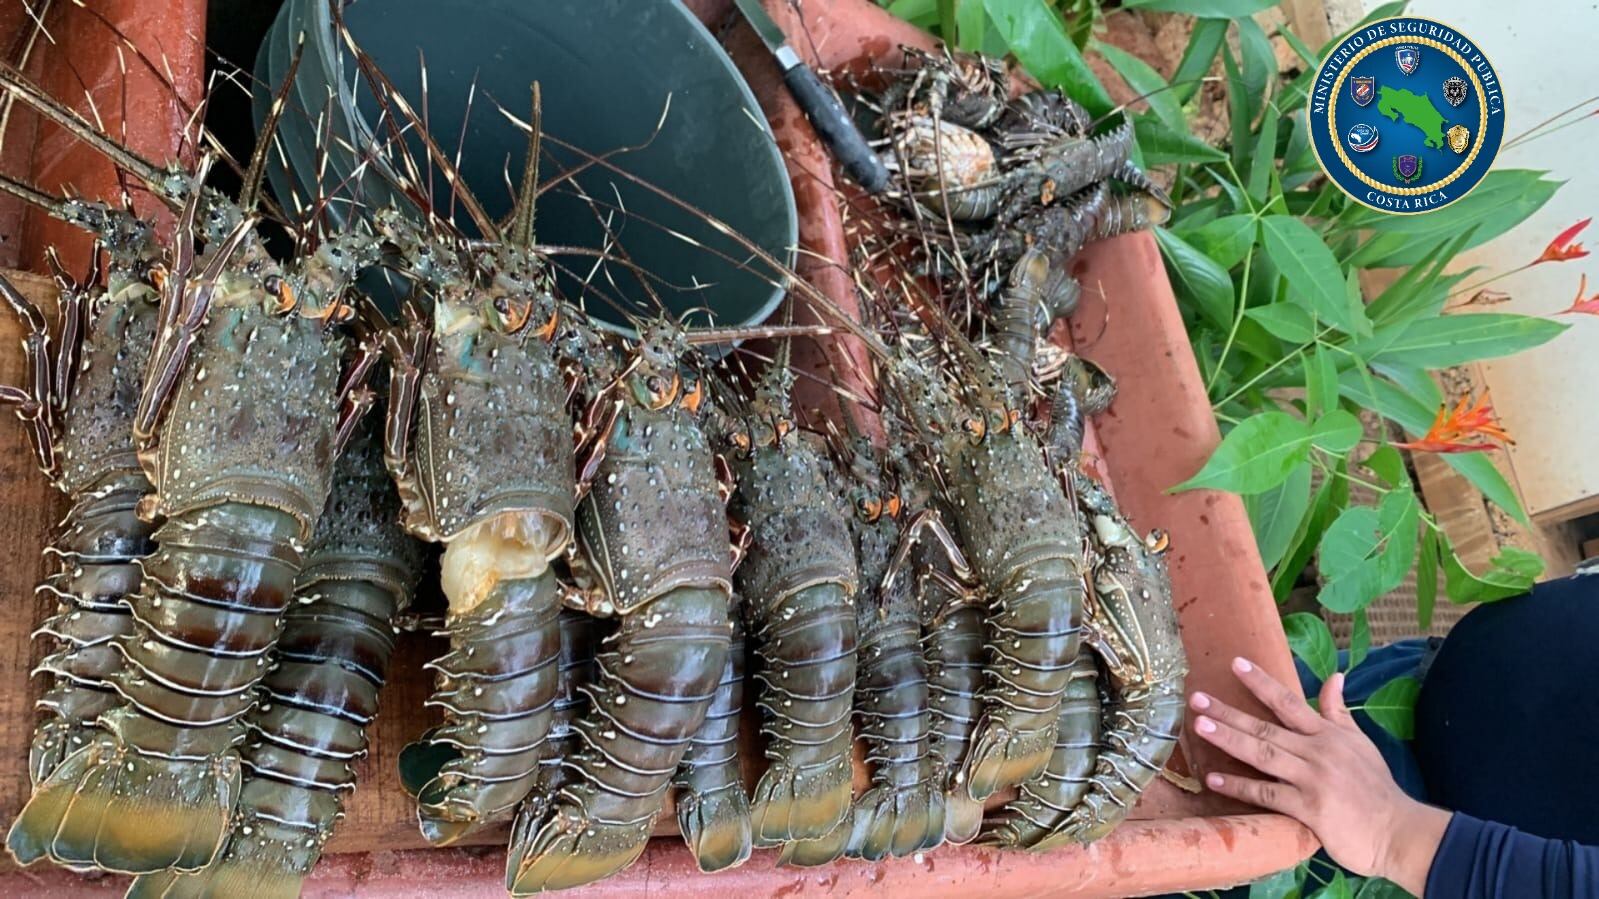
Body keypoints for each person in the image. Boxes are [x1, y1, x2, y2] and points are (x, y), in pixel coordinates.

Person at [1192, 572, 1599, 897]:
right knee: (1193, 694)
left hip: (1407, 842)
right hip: (1405, 683)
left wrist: (1393, 833)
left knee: (1175, 848)